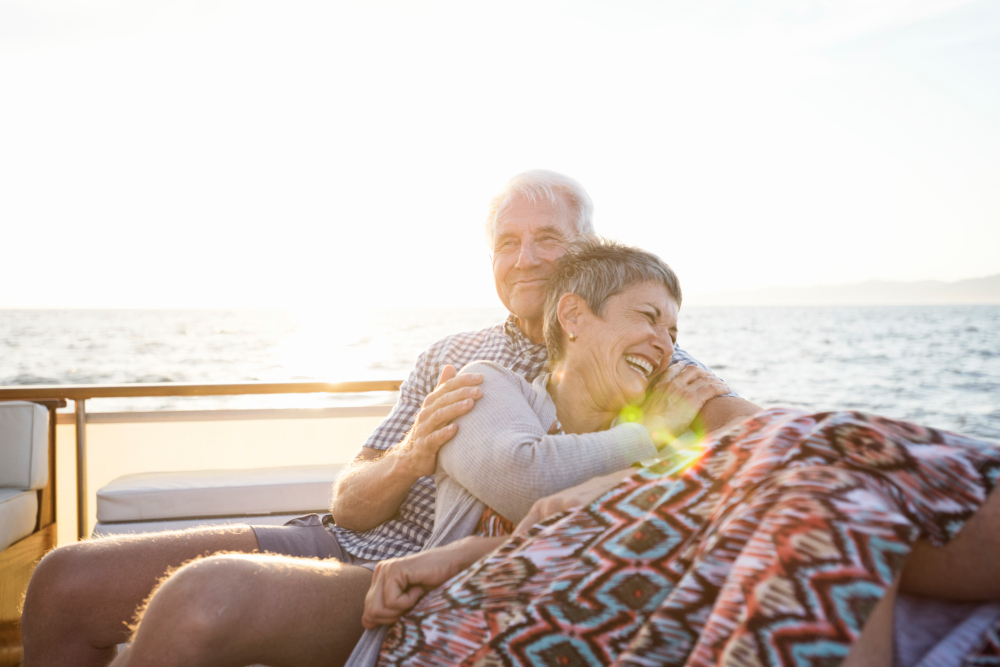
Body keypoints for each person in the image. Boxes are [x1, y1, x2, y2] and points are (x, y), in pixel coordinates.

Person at [21, 171, 756, 667]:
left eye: (548, 239)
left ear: (588, 255)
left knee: (203, 601)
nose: (525, 258)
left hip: (424, 572)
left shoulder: (641, 348)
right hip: (341, 537)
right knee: (63, 578)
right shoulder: (453, 351)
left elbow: (746, 429)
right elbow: (349, 500)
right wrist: (411, 455)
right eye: (507, 241)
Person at [352, 241, 1000, 667]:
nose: (667, 344)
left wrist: (674, 434)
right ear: (574, 317)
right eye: (648, 317)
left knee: (811, 483)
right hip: (495, 605)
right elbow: (526, 485)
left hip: (631, 581)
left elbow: (765, 444)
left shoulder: (667, 422)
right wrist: (651, 438)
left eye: (674, 331)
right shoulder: (492, 382)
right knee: (801, 468)